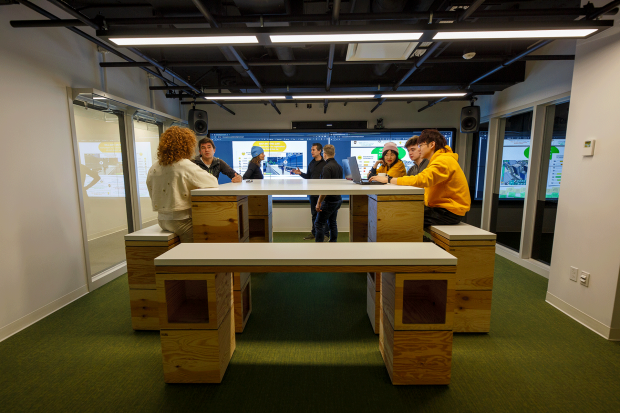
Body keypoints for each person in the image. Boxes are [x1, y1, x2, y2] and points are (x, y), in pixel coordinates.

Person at [369, 129, 471, 227]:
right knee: (400, 211)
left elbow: (421, 179)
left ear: (432, 145)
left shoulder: (443, 161)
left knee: (400, 217)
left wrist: (389, 179)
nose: (419, 149)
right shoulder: (441, 159)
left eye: (420, 145)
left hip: (448, 211)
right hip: (442, 208)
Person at [146, 126, 218, 243]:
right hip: (182, 220)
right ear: (187, 145)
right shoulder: (184, 164)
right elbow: (212, 182)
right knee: (197, 248)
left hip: (162, 220)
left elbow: (151, 188)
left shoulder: (154, 166)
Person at [293, 143, 327, 240]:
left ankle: (325, 235)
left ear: (319, 151)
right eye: (311, 150)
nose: (311, 151)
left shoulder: (325, 164)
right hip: (313, 193)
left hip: (322, 194)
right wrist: (300, 173)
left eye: (313, 150)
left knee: (323, 214)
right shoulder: (311, 163)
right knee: (314, 214)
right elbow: (308, 177)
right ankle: (314, 233)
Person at [314, 145, 343, 243]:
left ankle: (319, 246)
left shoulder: (326, 167)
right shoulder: (339, 166)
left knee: (319, 224)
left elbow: (325, 189)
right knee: (332, 223)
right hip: (337, 199)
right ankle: (333, 243)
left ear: (324, 154)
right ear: (334, 154)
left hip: (329, 201)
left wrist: (319, 202)